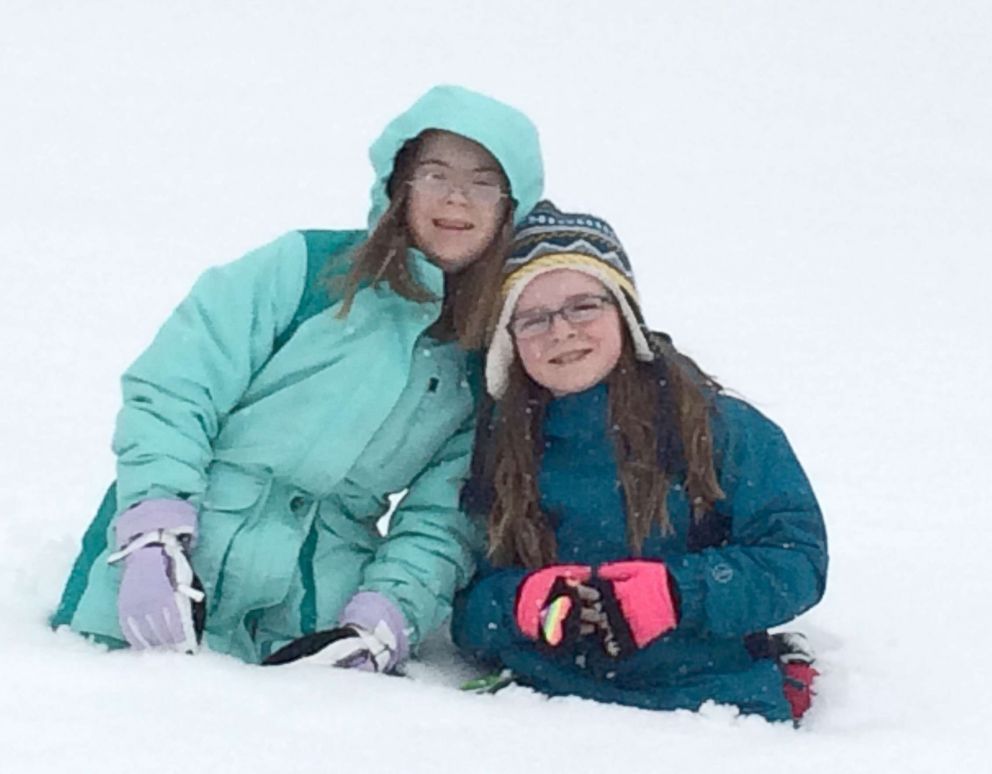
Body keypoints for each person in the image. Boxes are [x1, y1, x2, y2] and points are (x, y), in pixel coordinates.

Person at [50, 85, 544, 672]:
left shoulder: (483, 358)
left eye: (484, 180)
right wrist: (154, 531)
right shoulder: (304, 270)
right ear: (399, 185)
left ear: (510, 207)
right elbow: (176, 388)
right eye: (434, 173)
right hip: (163, 570)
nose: (456, 196)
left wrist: (384, 617)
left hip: (307, 616)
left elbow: (446, 514)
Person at [451, 201, 827, 722]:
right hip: (541, 710)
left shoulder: (722, 428)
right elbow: (466, 607)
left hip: (714, 711)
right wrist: (520, 603)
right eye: (533, 318)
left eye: (583, 306)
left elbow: (796, 562)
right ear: (509, 342)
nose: (561, 331)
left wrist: (679, 593)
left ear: (624, 312)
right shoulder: (499, 445)